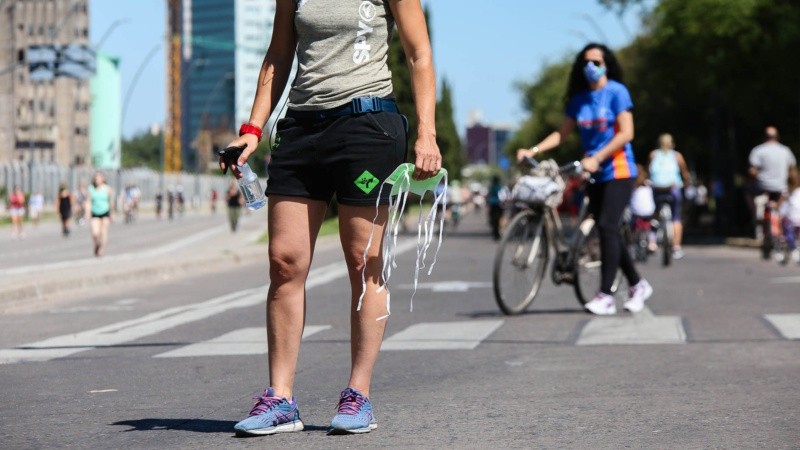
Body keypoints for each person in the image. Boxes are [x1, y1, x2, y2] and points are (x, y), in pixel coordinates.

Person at [219, 0, 440, 437]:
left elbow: (419, 53)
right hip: (301, 127)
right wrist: (252, 129)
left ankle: (358, 393)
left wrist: (426, 133)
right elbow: (278, 54)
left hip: (367, 125)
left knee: (363, 261)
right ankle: (280, 399)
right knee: (284, 262)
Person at [517, 42, 652, 315]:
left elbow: (626, 133)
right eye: (586, 62)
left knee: (607, 225)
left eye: (597, 62)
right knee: (606, 230)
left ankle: (605, 295)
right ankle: (638, 284)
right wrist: (532, 150)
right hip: (594, 174)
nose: (591, 67)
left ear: (607, 65)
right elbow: (562, 134)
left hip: (619, 170)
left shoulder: (616, 92)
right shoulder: (579, 99)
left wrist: (598, 157)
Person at [748, 126, 797, 242]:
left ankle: (756, 216)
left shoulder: (758, 150)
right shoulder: (786, 150)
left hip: (762, 187)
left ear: (765, 137)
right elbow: (793, 171)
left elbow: (752, 171)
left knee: (747, 193)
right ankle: (782, 228)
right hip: (781, 188)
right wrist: (793, 187)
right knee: (783, 209)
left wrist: (756, 176)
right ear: (777, 137)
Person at [648, 133, 691, 259]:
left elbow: (648, 171)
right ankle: (676, 247)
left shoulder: (653, 154)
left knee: (655, 213)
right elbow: (685, 173)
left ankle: (652, 242)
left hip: (657, 188)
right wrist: (687, 182)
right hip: (673, 188)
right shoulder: (677, 156)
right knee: (676, 217)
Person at [84, 172, 114, 257]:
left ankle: (101, 248)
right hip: (95, 212)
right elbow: (88, 201)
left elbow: (110, 202)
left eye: (99, 177)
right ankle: (97, 244)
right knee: (95, 233)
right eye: (96, 178)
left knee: (103, 232)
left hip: (105, 212)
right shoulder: (91, 189)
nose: (97, 180)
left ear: (103, 179)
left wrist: (112, 213)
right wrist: (87, 212)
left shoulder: (107, 189)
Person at [779, 168, 800, 264]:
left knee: (796, 238)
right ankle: (793, 253)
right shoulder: (786, 191)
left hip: (798, 218)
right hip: (790, 218)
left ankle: (791, 252)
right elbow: (781, 203)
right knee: (789, 237)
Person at [487, 175, 507, 240]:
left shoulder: (492, 187)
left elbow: (489, 196)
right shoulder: (500, 187)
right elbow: (503, 197)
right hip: (499, 205)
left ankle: (495, 233)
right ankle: (499, 232)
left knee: (494, 219)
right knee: (499, 218)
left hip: (493, 205)